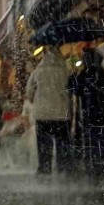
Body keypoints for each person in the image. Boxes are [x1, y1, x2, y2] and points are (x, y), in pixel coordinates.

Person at [71, 48, 104, 178]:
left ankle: (93, 165)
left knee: (91, 141)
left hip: (89, 113)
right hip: (102, 113)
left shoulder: (82, 75)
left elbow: (76, 92)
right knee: (103, 139)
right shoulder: (103, 74)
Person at [26, 46, 71, 175]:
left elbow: (29, 92)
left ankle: (45, 169)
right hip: (62, 114)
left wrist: (37, 100)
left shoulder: (37, 72)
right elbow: (70, 88)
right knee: (62, 144)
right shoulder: (64, 71)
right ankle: (63, 169)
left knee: (44, 145)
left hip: (42, 114)